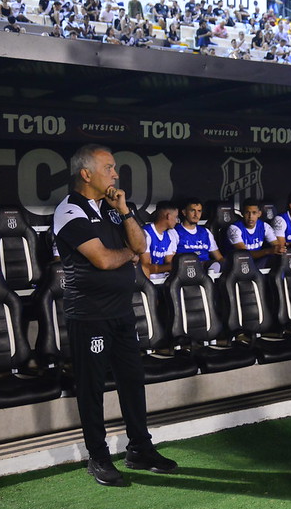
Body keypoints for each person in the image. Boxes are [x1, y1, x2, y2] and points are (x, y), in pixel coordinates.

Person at [53, 144, 177, 487]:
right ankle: (99, 457)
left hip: (123, 312)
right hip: (89, 315)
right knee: (92, 387)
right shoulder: (69, 210)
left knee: (132, 381)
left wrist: (123, 211)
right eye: (108, 167)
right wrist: (130, 253)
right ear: (86, 173)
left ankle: (140, 448)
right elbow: (104, 260)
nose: (115, 173)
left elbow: (142, 246)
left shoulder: (117, 206)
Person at [226, 198, 283, 268]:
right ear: (242, 213)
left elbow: (277, 246)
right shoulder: (234, 228)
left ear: (259, 214)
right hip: (238, 264)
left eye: (254, 213)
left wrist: (286, 247)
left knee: (279, 258)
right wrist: (268, 251)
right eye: (247, 212)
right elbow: (244, 254)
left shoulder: (264, 226)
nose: (250, 217)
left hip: (257, 262)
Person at [174, 198, 224, 272]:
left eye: (199, 211)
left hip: (206, 270)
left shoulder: (206, 232)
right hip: (185, 270)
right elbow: (170, 260)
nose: (196, 214)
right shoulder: (175, 232)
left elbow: (219, 258)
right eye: (192, 210)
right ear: (184, 212)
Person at [140, 201, 178, 279]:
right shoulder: (145, 233)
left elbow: (169, 263)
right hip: (148, 281)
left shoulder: (169, 237)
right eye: (176, 217)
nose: (176, 221)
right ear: (168, 216)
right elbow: (146, 268)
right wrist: (170, 267)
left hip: (164, 280)